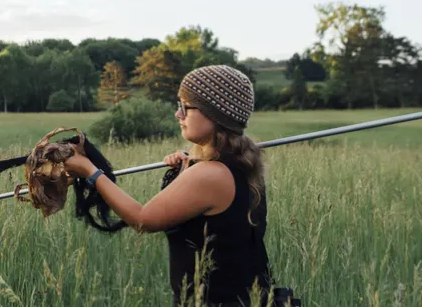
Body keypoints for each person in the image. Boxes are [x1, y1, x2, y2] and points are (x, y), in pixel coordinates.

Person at [63, 64, 274, 307]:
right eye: (178, 106)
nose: (178, 115)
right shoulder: (239, 165)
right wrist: (186, 169)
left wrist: (89, 170)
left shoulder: (211, 174)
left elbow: (142, 219)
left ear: (214, 114)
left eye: (186, 107)